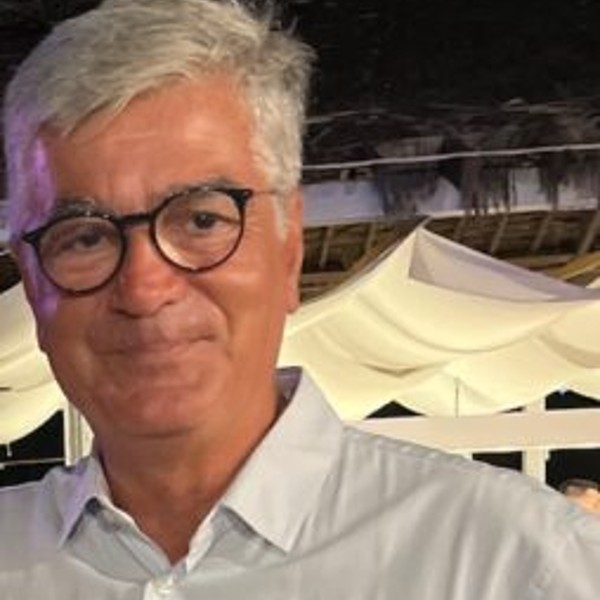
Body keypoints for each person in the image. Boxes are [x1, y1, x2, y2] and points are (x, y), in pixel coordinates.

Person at [1, 1, 599, 598]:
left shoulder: (517, 564)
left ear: (289, 248)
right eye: (83, 237)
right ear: (31, 281)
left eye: (202, 220)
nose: (144, 288)